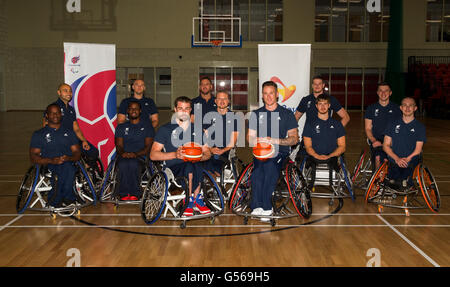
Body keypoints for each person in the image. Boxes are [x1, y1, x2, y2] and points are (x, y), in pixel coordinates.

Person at [150, 96, 212, 217]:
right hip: (173, 168)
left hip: (195, 166)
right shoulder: (165, 129)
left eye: (187, 109)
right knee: (189, 164)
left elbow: (207, 152)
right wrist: (175, 154)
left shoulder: (198, 130)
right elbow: (153, 155)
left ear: (190, 111)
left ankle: (196, 198)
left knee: (194, 162)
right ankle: (189, 200)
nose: (184, 112)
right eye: (180, 108)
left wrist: (201, 156)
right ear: (175, 109)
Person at [248, 81, 299, 221]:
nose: (269, 96)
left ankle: (267, 206)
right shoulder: (256, 114)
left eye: (271, 93)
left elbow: (294, 138)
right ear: (262, 96)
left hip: (280, 153)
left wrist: (275, 141)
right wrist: (259, 140)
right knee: (257, 171)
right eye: (265, 93)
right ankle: (256, 206)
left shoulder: (287, 114)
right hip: (261, 152)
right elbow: (250, 138)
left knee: (269, 167)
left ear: (277, 95)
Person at [31, 104, 81, 207]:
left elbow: (77, 153)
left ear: (61, 115)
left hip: (67, 161)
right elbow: (33, 156)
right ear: (47, 116)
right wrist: (51, 160)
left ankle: (65, 199)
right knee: (61, 171)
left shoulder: (69, 132)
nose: (55, 115)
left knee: (68, 168)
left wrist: (69, 158)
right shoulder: (39, 134)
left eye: (58, 112)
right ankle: (59, 200)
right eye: (52, 113)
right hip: (48, 164)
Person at [44, 83, 99, 162]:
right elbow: (45, 126)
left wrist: (83, 140)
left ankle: (86, 169)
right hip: (59, 141)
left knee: (93, 151)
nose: (69, 93)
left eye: (70, 91)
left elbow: (76, 129)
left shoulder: (71, 109)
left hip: (72, 139)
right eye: (65, 91)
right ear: (59, 93)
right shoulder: (53, 107)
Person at [302, 94, 346, 185]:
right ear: (316, 106)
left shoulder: (337, 124)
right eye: (320, 104)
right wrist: (316, 156)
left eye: (325, 104)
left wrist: (330, 156)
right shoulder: (309, 124)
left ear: (329, 105)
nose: (322, 106)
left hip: (332, 157)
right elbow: (308, 146)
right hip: (314, 157)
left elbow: (342, 146)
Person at [115, 100, 155, 201]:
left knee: (133, 163)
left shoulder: (147, 127)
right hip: (124, 156)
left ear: (140, 111)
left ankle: (135, 193)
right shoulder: (121, 127)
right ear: (128, 111)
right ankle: (123, 193)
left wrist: (135, 154)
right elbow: (119, 145)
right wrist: (123, 153)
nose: (133, 110)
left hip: (141, 156)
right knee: (123, 164)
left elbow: (148, 147)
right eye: (131, 109)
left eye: (136, 109)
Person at [383, 97, 425, 187]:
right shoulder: (392, 124)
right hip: (394, 160)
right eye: (405, 105)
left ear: (415, 108)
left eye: (410, 105)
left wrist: (407, 159)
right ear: (401, 108)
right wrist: (397, 159)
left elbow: (418, 150)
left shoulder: (420, 127)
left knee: (406, 185)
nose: (407, 108)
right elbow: (385, 145)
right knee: (392, 184)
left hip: (410, 161)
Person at [364, 82, 402, 169]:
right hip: (377, 140)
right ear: (377, 93)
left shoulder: (397, 109)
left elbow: (401, 127)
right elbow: (368, 128)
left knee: (389, 159)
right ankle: (378, 179)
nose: (383, 93)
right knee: (378, 158)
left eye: (386, 91)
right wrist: (373, 140)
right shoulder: (371, 108)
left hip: (392, 140)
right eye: (381, 91)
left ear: (390, 93)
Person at [203, 90, 239, 177]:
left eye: (225, 99)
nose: (222, 101)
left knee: (216, 167)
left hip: (224, 151)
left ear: (228, 101)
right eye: (219, 99)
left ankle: (216, 188)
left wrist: (222, 150)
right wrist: (210, 149)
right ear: (215, 101)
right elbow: (205, 136)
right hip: (209, 149)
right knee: (199, 165)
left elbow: (233, 142)